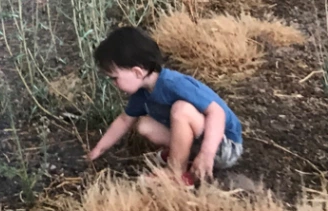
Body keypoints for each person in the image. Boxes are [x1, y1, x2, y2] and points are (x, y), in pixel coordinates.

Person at [87, 26, 243, 186]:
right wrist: (98, 150)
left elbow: (217, 113)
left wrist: (207, 153)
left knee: (181, 110)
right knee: (145, 125)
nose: (114, 83)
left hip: (223, 145)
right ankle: (185, 157)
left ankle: (175, 172)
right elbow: (124, 121)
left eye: (115, 78)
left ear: (137, 72)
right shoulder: (142, 93)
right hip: (200, 141)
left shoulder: (174, 83)